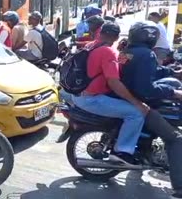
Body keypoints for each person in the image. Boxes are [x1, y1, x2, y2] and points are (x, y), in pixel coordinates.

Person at [69, 22, 149, 164]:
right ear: (117, 36)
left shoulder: (92, 45)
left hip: (80, 94)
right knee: (136, 113)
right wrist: (137, 103)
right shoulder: (107, 51)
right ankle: (121, 152)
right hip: (92, 99)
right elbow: (114, 82)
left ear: (101, 32)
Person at [118, 21, 182, 198]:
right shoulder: (147, 54)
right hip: (139, 102)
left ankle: (145, 148)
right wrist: (174, 93)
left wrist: (171, 73)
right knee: (176, 139)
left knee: (173, 83)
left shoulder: (127, 51)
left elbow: (146, 72)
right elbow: (145, 88)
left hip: (128, 96)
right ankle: (180, 188)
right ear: (151, 38)